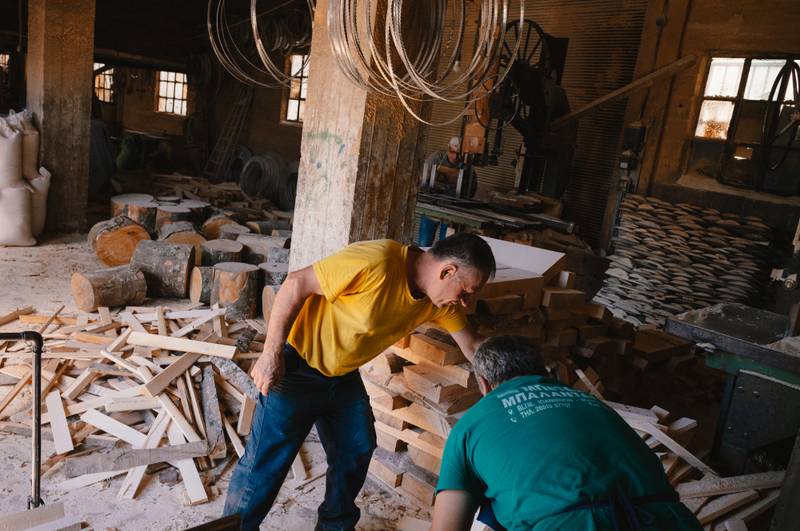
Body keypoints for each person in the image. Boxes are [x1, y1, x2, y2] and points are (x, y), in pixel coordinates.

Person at [223, 233, 496, 530]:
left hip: (343, 376)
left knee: (356, 448)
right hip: (297, 368)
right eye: (466, 292)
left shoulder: (441, 302)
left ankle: (334, 526)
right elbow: (296, 283)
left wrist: (499, 376)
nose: (466, 303)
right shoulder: (377, 261)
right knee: (264, 466)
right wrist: (270, 353)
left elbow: (472, 345)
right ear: (448, 272)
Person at [431, 336, 702, 531]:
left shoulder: (471, 424)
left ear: (484, 384)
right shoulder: (594, 405)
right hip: (671, 520)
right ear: (543, 371)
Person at [418, 137, 477, 246]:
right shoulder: (437, 158)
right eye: (452, 152)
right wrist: (432, 177)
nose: (455, 156)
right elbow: (421, 177)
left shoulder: (466, 165)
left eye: (458, 154)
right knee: (424, 244)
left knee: (445, 248)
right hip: (432, 206)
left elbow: (472, 188)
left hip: (451, 212)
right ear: (448, 148)